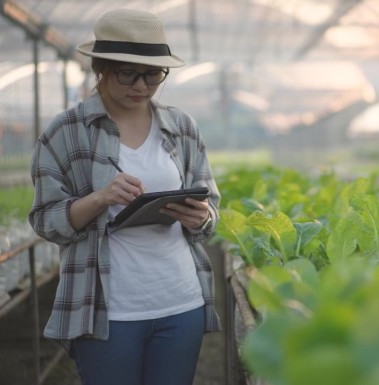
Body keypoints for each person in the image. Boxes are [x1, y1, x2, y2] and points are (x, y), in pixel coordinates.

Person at [28, 8, 221, 385]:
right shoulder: (66, 131)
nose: (142, 85)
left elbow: (210, 206)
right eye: (128, 73)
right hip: (106, 310)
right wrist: (100, 199)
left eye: (153, 74)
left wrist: (203, 218)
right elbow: (45, 220)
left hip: (181, 302)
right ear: (100, 68)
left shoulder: (181, 126)